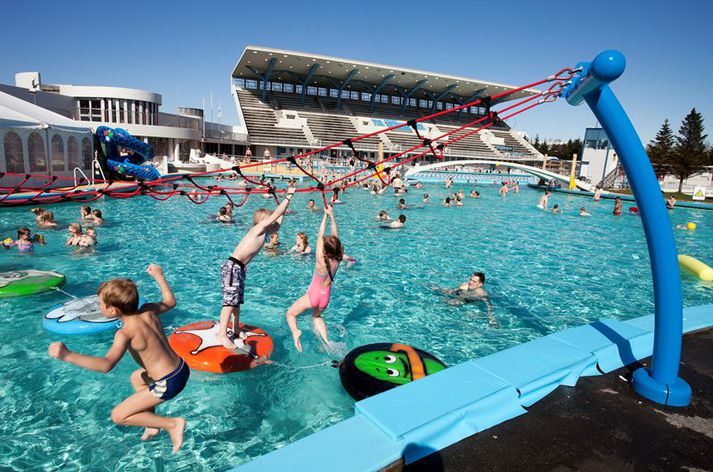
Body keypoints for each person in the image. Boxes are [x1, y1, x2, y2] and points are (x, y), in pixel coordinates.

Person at [48, 264, 188, 453]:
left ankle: (172, 424)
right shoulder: (148, 310)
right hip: (180, 368)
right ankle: (151, 424)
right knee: (137, 378)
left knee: (118, 416)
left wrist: (68, 355)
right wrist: (159, 276)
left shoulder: (125, 333)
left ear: (113, 310)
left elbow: (106, 365)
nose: (99, 307)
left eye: (100, 304)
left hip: (168, 382)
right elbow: (170, 302)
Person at [216, 187, 296, 349]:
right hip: (233, 266)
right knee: (229, 302)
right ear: (261, 220)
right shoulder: (257, 229)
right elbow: (276, 214)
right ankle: (222, 335)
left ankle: (236, 328)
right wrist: (288, 195)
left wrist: (284, 207)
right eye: (269, 219)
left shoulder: (264, 232)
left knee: (236, 302)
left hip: (239, 268)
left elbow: (277, 224)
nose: (272, 222)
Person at [286, 206, 343, 352]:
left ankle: (295, 331)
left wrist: (325, 216)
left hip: (313, 295)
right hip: (325, 298)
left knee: (291, 314)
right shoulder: (338, 259)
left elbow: (320, 234)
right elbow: (335, 238)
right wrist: (332, 215)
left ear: (324, 251)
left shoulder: (320, 259)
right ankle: (326, 341)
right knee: (317, 316)